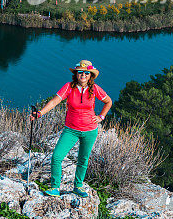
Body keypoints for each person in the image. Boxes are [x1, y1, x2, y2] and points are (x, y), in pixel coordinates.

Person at [31, 60, 113, 197]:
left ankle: (78, 186)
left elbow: (108, 101)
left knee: (83, 159)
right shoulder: (69, 87)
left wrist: (101, 117)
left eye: (87, 73)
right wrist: (40, 113)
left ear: (90, 75)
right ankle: (55, 187)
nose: (83, 75)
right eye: (80, 72)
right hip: (71, 130)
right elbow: (54, 101)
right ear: (76, 74)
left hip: (90, 131)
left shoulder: (95, 89)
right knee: (57, 156)